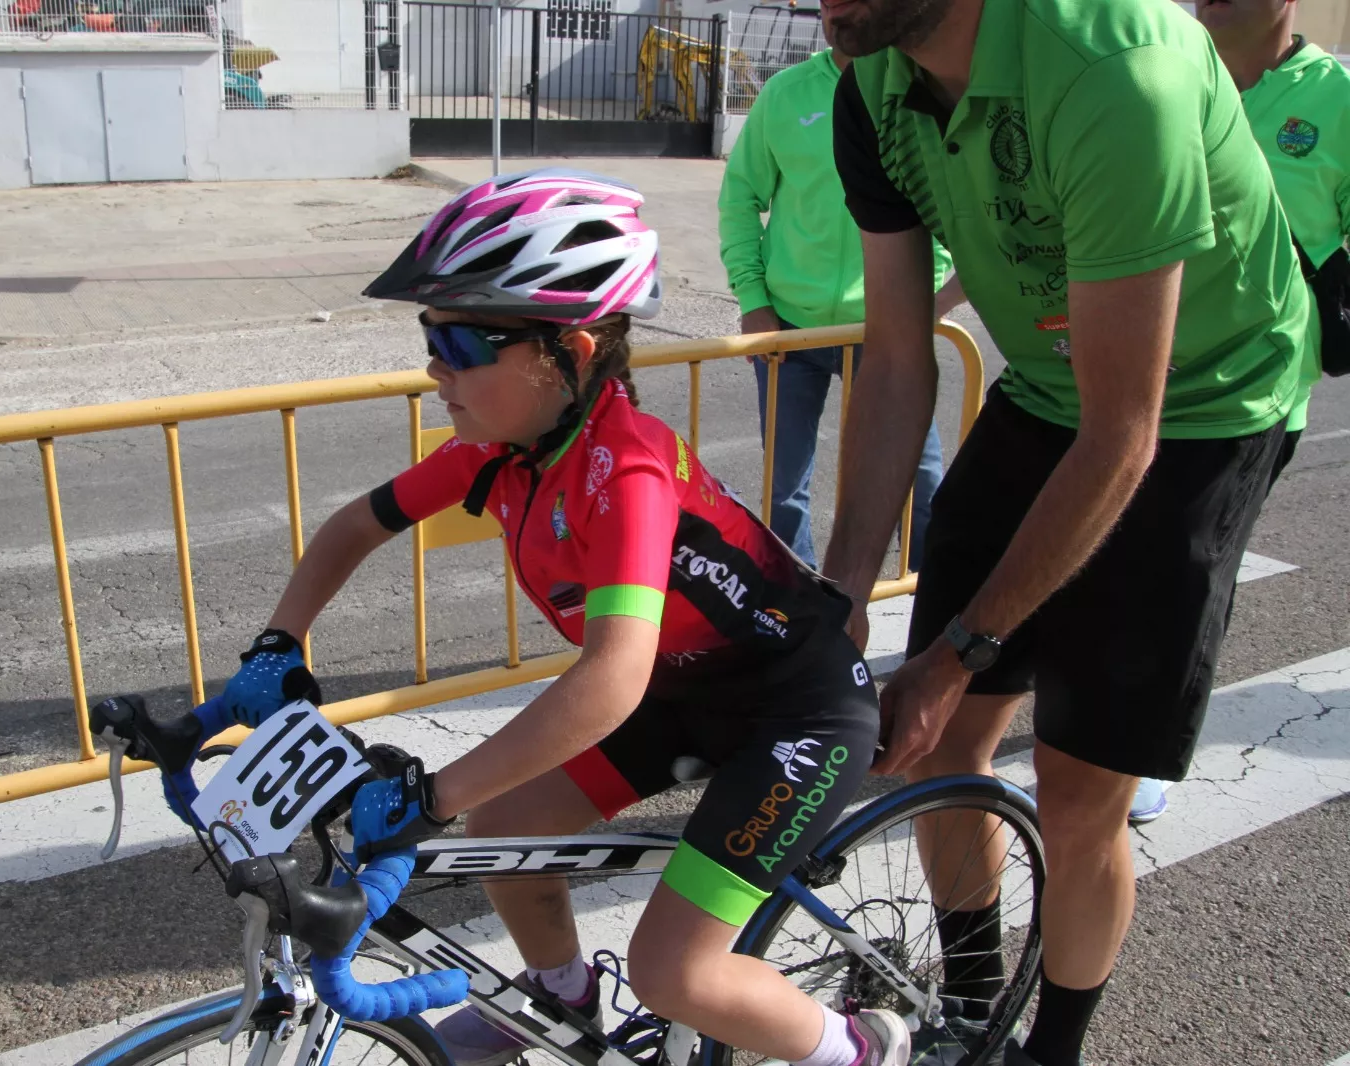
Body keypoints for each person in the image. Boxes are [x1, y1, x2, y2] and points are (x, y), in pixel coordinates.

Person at [192, 169, 909, 1066]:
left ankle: (865, 1050)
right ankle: (559, 995)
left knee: (673, 972)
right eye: (430, 337)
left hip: (795, 712)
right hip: (681, 690)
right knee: (500, 830)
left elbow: (608, 679)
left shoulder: (631, 473)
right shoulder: (500, 453)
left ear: (563, 351)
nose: (434, 367)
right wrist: (276, 645)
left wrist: (432, 796)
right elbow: (353, 528)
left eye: (457, 341)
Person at [817, 0, 1313, 1062]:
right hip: (1046, 388)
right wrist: (842, 593)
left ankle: (1055, 1049)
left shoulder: (1118, 68)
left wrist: (959, 652)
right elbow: (900, 361)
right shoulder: (869, 75)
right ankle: (971, 1012)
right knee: (935, 750)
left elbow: (1124, 435)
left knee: (1081, 789)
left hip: (1203, 405)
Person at [1122, 0, 1350, 828]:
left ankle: (1146, 752)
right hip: (1132, 359)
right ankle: (1099, 704)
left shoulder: (1335, 98)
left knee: (1187, 562)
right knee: (1108, 547)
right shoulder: (1165, 69)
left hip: (1256, 389)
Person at [718, 15, 965, 569]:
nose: (838, 14)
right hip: (790, 328)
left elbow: (951, 202)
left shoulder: (923, 89)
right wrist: (755, 303)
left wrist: (930, 298)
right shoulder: (786, 93)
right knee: (785, 488)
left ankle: (928, 594)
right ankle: (802, 611)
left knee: (920, 480)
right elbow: (739, 200)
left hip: (886, 332)